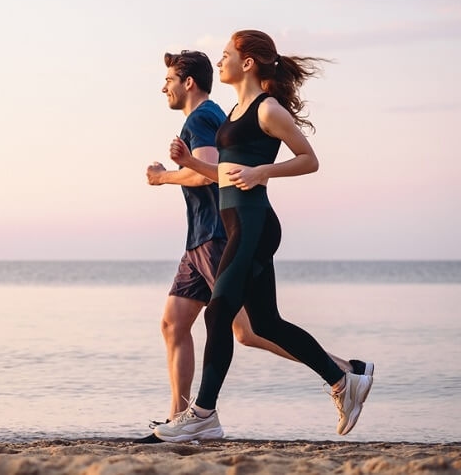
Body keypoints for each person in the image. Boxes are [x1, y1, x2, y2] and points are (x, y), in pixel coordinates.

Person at [153, 31, 373, 443]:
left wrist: (264, 172)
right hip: (238, 222)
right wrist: (185, 167)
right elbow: (227, 173)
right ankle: (344, 379)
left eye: (225, 56)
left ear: (247, 62)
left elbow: (310, 160)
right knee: (266, 322)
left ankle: (202, 414)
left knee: (220, 315)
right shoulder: (235, 111)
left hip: (253, 224)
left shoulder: (267, 109)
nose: (220, 63)